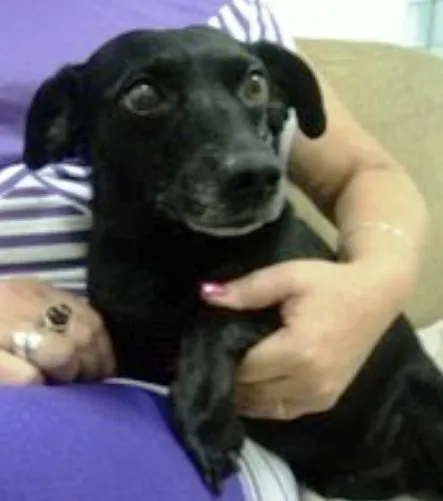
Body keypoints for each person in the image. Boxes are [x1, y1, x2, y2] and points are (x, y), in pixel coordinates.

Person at [0, 0, 429, 499]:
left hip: (234, 422)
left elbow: (364, 172)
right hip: (84, 393)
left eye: (252, 87)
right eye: (145, 97)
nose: (249, 164)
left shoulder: (223, 10)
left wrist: (373, 284)